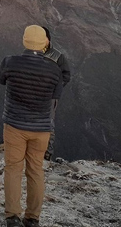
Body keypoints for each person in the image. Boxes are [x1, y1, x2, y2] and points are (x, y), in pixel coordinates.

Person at [0, 25, 64, 227]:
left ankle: (12, 217)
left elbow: (1, 79)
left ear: (24, 40)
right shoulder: (55, 69)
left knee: (13, 169)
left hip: (15, 126)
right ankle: (32, 218)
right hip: (41, 129)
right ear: (45, 43)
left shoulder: (10, 62)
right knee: (35, 171)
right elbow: (55, 96)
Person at [40, 26, 70, 163]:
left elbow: (66, 76)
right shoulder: (30, 53)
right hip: (31, 94)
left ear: (48, 38)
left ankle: (47, 153)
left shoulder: (58, 57)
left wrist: (54, 88)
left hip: (50, 97)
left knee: (48, 124)